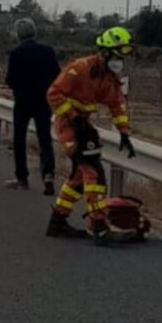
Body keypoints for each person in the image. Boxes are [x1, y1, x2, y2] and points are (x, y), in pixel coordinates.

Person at [46, 26, 137, 241]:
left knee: (79, 178)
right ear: (104, 52)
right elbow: (54, 94)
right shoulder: (79, 68)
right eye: (116, 56)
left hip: (84, 127)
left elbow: (117, 105)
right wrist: (74, 118)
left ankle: (57, 222)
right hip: (69, 125)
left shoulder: (109, 77)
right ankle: (98, 225)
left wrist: (124, 133)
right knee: (93, 173)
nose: (119, 62)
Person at [4, 17, 61, 195]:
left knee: (19, 139)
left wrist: (18, 86)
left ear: (18, 34)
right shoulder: (48, 51)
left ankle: (22, 178)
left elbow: (10, 80)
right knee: (45, 138)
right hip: (43, 100)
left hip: (23, 100)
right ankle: (49, 175)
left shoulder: (16, 53)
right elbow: (57, 76)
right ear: (34, 31)